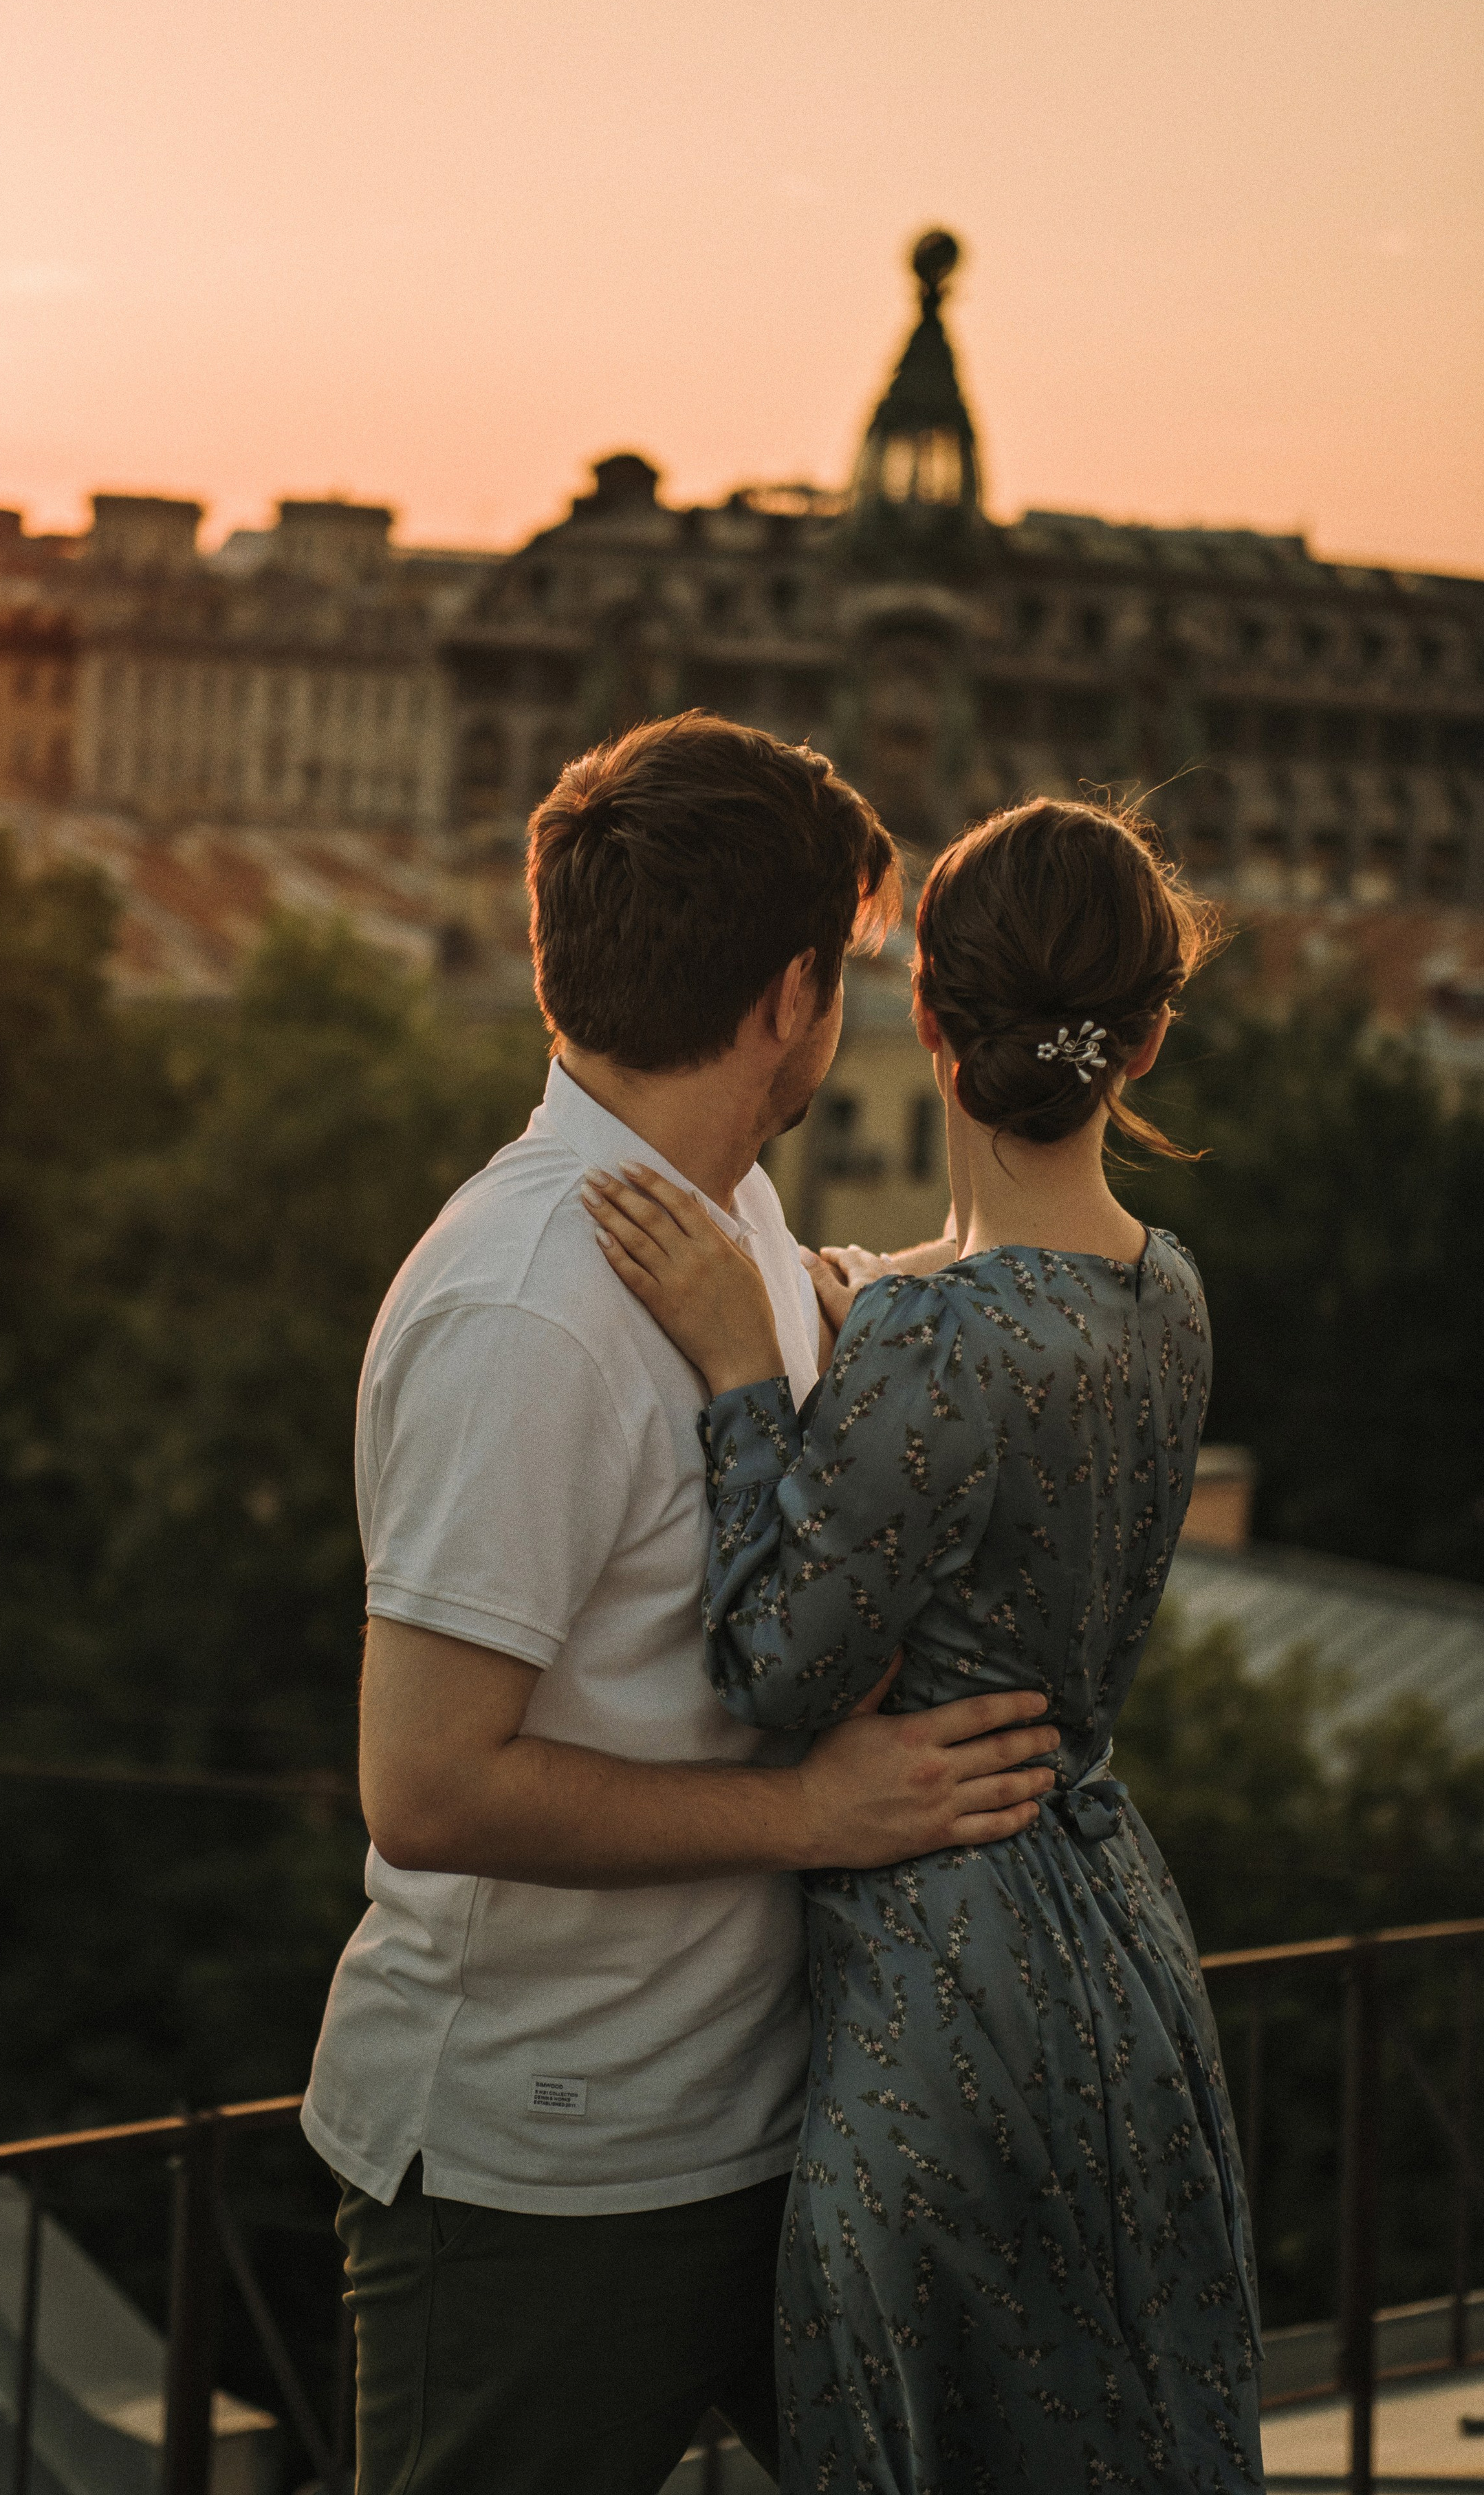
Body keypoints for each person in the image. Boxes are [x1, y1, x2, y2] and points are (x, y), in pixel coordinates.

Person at [303, 717, 1063, 2494]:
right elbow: (426, 1784)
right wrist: (808, 1813)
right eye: (852, 975)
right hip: (540, 2173)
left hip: (759, 2125)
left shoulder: (727, 1216)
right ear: (797, 993)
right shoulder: (527, 1307)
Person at [585, 796, 1265, 2494]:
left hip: (943, 1982)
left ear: (926, 1023)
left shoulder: (923, 1339)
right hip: (1118, 1950)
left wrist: (755, 1372)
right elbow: (994, 1343)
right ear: (1146, 1037)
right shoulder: (1163, 1288)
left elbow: (768, 1672)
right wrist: (860, 1295)